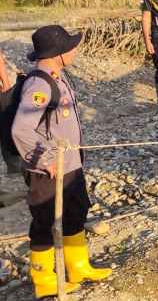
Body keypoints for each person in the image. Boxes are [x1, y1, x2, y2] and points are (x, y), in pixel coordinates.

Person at [11, 25, 111, 298]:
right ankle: (44, 280)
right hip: (48, 171)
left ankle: (78, 267)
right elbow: (21, 130)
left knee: (76, 211)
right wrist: (45, 160)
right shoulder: (39, 85)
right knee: (45, 221)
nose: (75, 50)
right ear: (58, 54)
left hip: (70, 164)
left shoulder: (58, 77)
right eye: (70, 47)